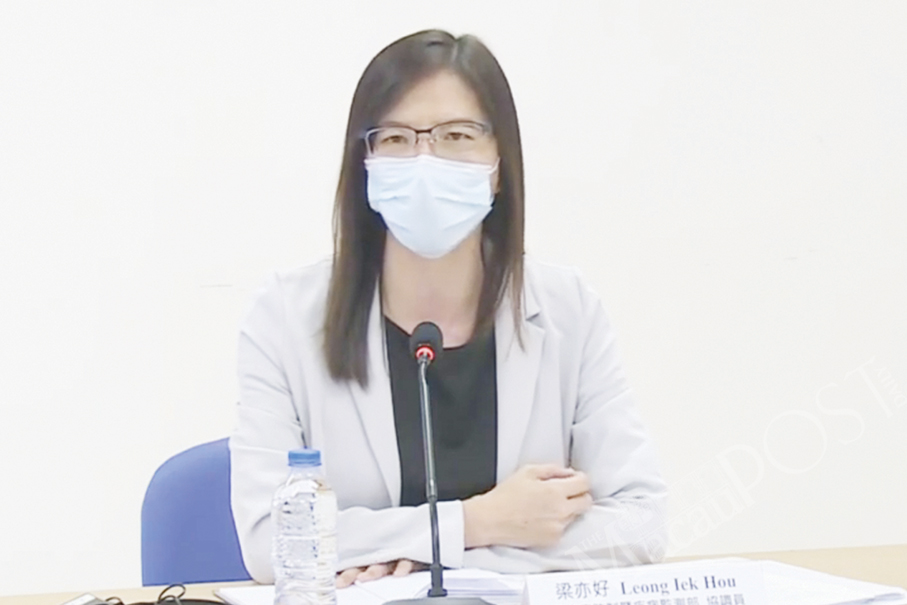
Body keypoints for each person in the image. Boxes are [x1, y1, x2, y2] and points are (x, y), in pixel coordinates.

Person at [229, 29, 667, 587]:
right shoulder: (285, 317)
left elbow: (640, 523)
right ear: (364, 164)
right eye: (396, 139)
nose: (425, 160)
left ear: (500, 164)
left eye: (457, 135)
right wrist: (476, 522)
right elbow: (271, 543)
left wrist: (440, 561)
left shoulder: (568, 310)